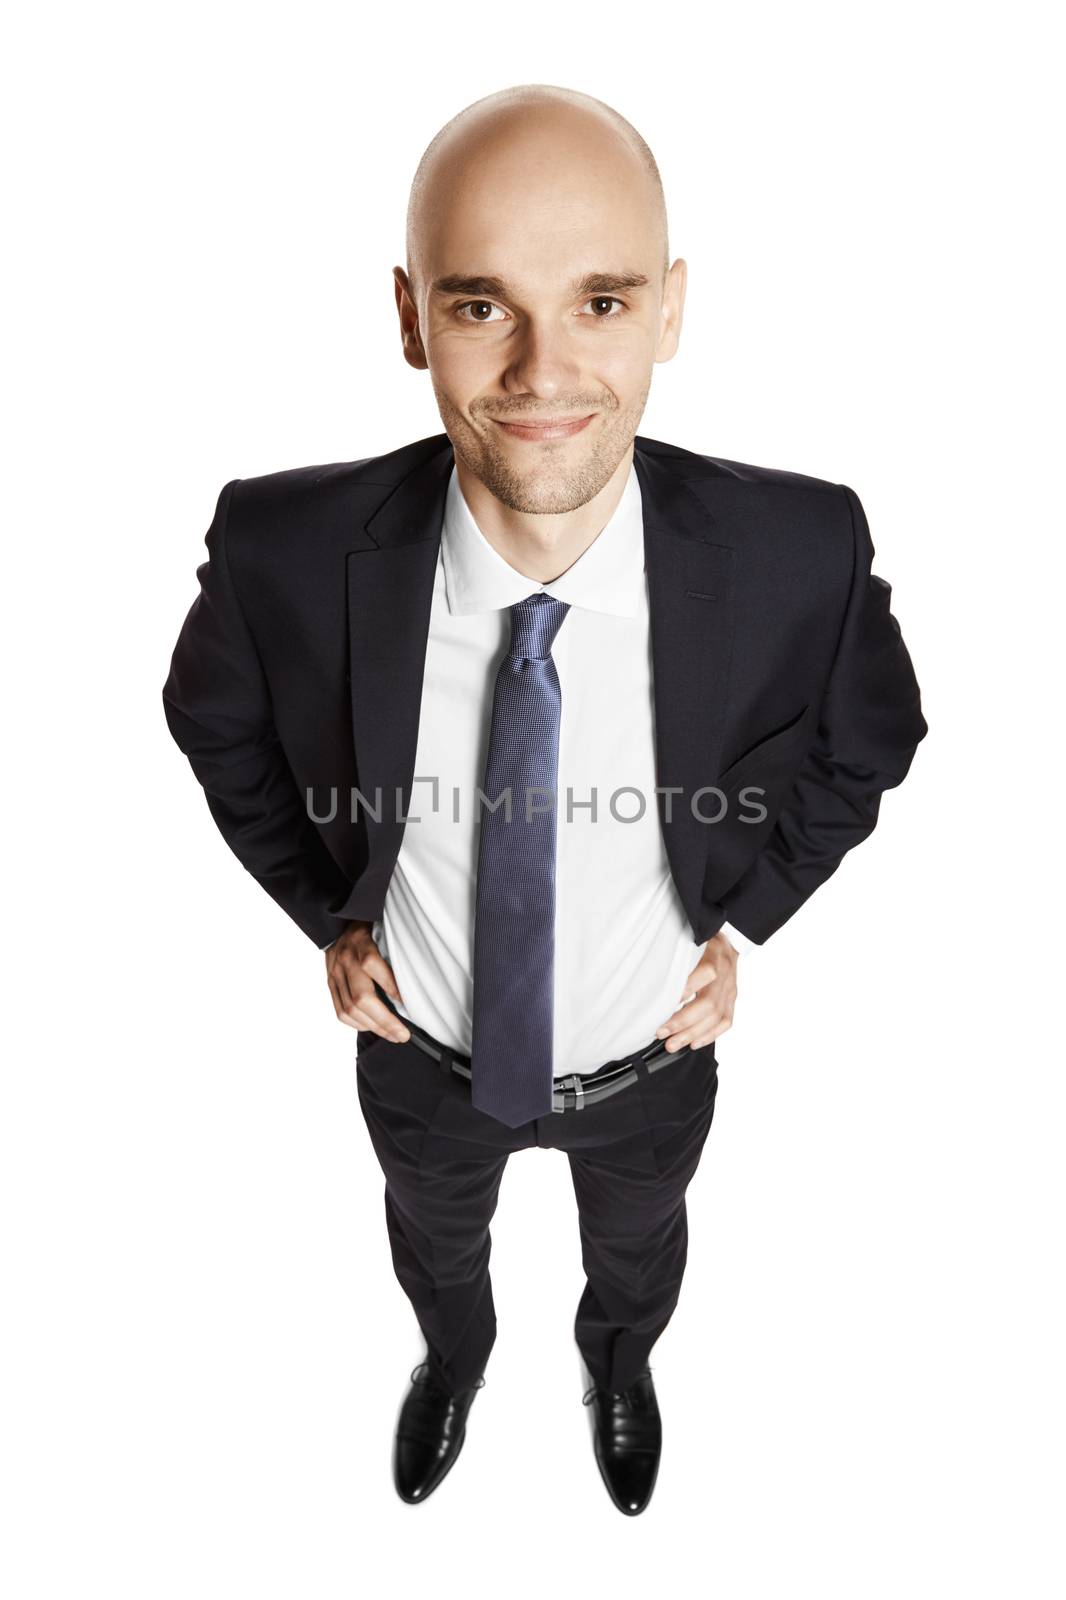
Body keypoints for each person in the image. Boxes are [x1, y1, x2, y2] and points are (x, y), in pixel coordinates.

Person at [161, 82, 928, 1515]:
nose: (540, 368)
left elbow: (869, 738)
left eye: (598, 301)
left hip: (648, 1064)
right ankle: (452, 1363)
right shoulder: (278, 546)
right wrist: (324, 913)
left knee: (639, 1249)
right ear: (408, 318)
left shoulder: (797, 548)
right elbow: (215, 726)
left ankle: (617, 1362)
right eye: (478, 307)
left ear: (669, 309)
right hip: (423, 1056)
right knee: (434, 1247)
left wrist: (745, 921)